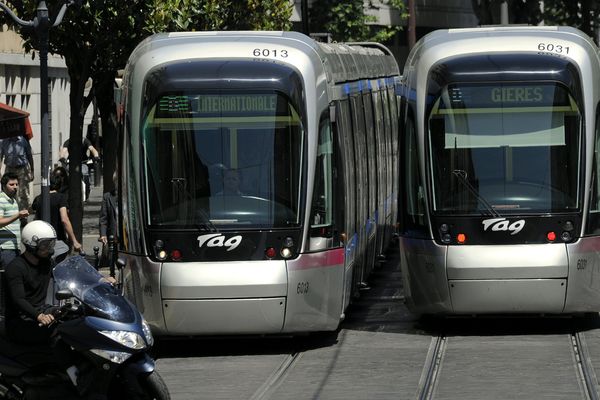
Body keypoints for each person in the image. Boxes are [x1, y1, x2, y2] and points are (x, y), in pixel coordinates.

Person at [3, 220, 57, 344]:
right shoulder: (16, 268)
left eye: (51, 244)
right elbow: (19, 300)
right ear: (31, 244)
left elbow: (66, 273)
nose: (50, 249)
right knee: (59, 333)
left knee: (73, 321)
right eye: (45, 245)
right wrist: (39, 316)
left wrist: (99, 279)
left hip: (41, 311)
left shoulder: (47, 263)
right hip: (20, 322)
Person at [32, 173, 82, 262]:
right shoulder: (61, 198)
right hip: (57, 239)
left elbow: (34, 217)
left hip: (40, 240)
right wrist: (74, 241)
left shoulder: (38, 199)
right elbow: (64, 219)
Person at [60, 131, 100, 201]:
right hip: (72, 163)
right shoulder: (68, 142)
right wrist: (63, 158)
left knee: (85, 174)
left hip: (83, 162)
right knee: (69, 175)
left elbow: (92, 149)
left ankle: (87, 191)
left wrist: (96, 156)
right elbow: (63, 152)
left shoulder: (85, 141)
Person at [0, 172, 29, 268]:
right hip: (5, 248)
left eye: (16, 184)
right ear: (4, 186)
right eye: (11, 184)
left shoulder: (13, 200)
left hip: (15, 247)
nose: (15, 187)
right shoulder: (1, 200)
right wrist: (17, 216)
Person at [0, 135, 34, 211]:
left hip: (22, 169)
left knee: (22, 193)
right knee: (8, 191)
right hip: (9, 168)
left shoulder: (23, 140)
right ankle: (10, 212)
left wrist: (32, 171)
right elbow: (0, 157)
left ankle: (23, 215)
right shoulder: (3, 141)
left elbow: (29, 156)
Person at [99, 171, 118, 272]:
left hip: (128, 235)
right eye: (117, 181)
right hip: (113, 236)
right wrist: (103, 234)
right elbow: (103, 218)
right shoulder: (107, 197)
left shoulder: (131, 196)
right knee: (114, 263)